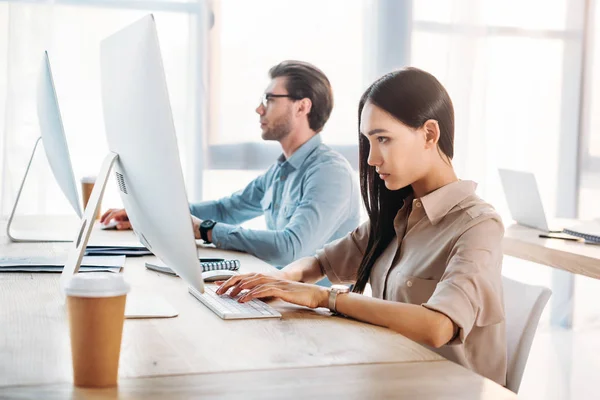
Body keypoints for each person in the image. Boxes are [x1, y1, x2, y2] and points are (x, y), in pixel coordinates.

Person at [216, 67, 507, 386]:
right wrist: (280, 279)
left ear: (429, 134)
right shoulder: (399, 214)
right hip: (390, 377)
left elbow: (439, 326)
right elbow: (319, 263)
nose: (371, 159)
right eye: (369, 141)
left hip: (445, 390)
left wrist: (324, 298)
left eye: (383, 139)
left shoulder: (478, 226)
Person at [101, 60, 360, 267]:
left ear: (302, 107)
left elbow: (289, 249)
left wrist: (204, 230)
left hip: (320, 317)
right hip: (280, 298)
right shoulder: (280, 171)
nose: (260, 109)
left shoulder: (329, 173)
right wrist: (153, 215)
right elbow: (226, 210)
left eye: (269, 99)